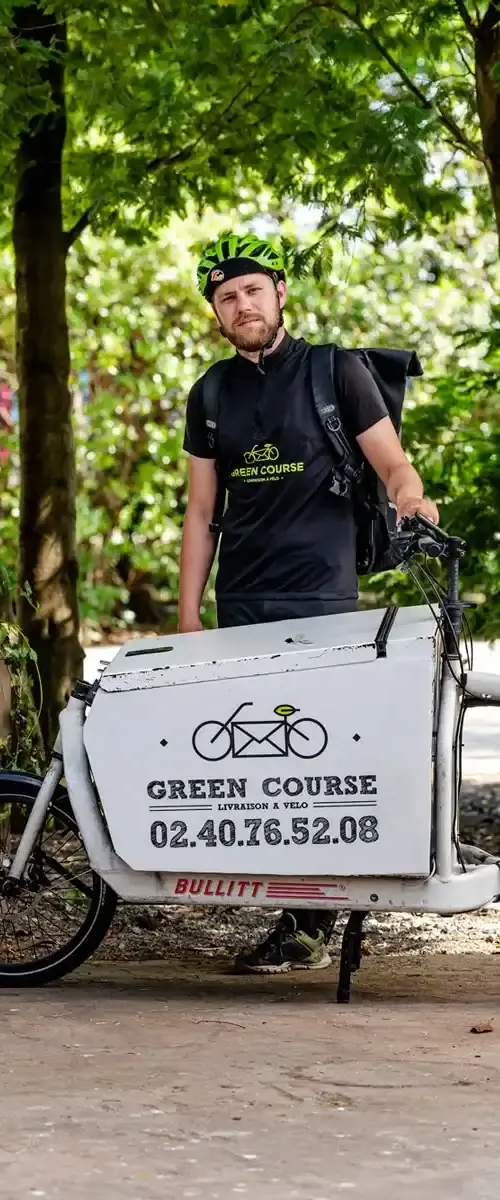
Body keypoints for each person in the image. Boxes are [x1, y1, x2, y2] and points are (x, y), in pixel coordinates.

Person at [177, 232, 439, 974]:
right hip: (242, 601)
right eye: (227, 298)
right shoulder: (211, 394)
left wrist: (413, 500)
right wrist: (190, 616)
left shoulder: (336, 371)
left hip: (323, 597)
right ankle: (300, 912)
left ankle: (311, 921)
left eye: (253, 290)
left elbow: (394, 464)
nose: (243, 304)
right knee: (258, 765)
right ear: (217, 314)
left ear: (280, 291)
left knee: (316, 755)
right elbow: (201, 513)